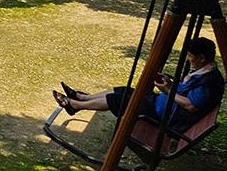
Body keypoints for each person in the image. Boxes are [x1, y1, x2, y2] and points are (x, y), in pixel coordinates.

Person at [52, 37, 223, 132]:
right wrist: (170, 82)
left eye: (191, 56)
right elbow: (185, 91)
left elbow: (191, 106)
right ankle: (82, 97)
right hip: (159, 103)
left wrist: (168, 90)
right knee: (124, 90)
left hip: (164, 117)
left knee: (120, 99)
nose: (188, 58)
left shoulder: (208, 82)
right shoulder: (203, 72)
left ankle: (75, 105)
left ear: (201, 58)